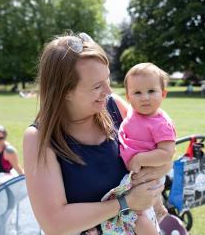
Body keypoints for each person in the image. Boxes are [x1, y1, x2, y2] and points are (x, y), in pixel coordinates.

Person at [23, 32, 171, 235]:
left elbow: (163, 157)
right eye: (96, 86)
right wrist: (125, 202)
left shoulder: (116, 107)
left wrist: (155, 172)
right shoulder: (39, 138)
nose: (109, 91)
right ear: (64, 91)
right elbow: (54, 224)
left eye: (108, 79)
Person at [118, 63, 176, 234]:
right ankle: (158, 208)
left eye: (151, 91)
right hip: (135, 174)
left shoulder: (160, 123)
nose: (145, 98)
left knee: (137, 213)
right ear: (128, 97)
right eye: (137, 93)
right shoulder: (133, 113)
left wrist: (139, 159)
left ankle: (157, 214)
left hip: (147, 173)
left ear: (163, 94)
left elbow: (167, 153)